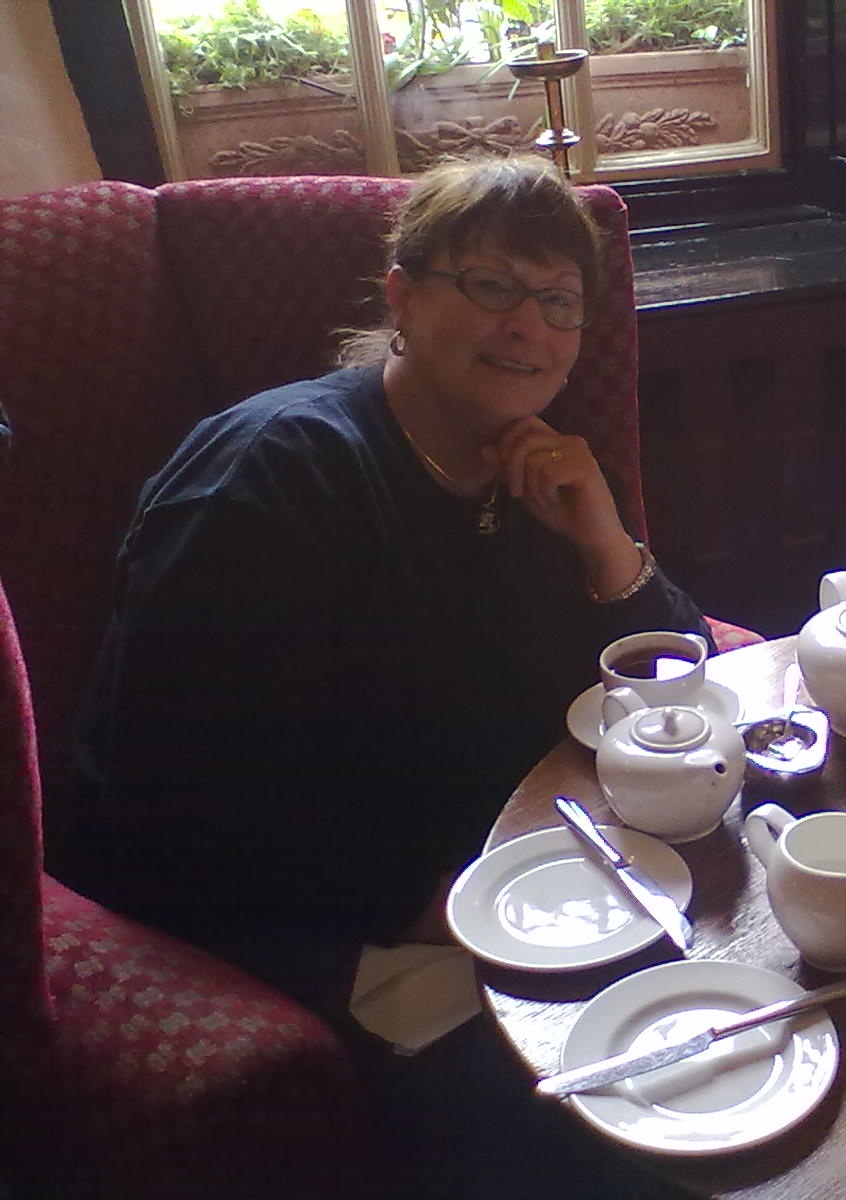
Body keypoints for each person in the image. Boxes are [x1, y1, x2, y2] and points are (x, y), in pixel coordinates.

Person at [62, 156, 705, 1198]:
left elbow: (677, 686)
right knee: (627, 1129)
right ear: (402, 295)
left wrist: (605, 546)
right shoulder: (273, 473)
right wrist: (442, 903)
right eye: (490, 285)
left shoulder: (538, 469)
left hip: (526, 878)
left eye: (558, 302)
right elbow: (172, 800)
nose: (527, 326)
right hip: (298, 921)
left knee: (719, 1034)